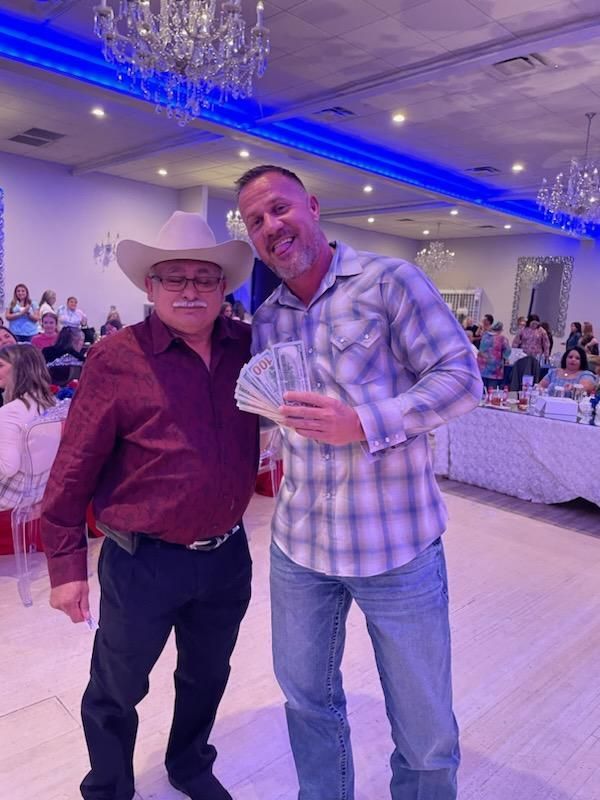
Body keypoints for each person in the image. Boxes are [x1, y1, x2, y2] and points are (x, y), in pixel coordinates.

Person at [236, 165, 482, 800]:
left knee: (426, 729)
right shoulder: (269, 318)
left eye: (280, 209)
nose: (271, 227)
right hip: (300, 549)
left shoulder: (390, 280)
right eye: (255, 221)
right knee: (306, 702)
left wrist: (365, 422)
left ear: (312, 207)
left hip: (395, 546)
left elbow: (462, 376)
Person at [41, 211, 258, 800]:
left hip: (226, 557)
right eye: (174, 278)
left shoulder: (247, 347)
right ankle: (109, 787)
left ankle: (189, 765)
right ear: (150, 287)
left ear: (222, 288)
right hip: (141, 562)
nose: (190, 290)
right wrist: (65, 568)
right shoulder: (116, 357)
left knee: (208, 676)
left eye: (204, 278)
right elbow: (72, 466)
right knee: (116, 685)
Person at [0, 345, 56, 510]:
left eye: (1, 366)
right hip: (38, 495)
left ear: (19, 369)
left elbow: (7, 467)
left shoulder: (10, 412)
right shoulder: (51, 403)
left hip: (9, 501)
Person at [477, 320, 511, 389]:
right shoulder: (502, 338)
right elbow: (507, 350)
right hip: (495, 368)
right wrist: (505, 358)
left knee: (482, 388)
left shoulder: (485, 336)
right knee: (491, 389)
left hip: (482, 366)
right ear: (501, 329)